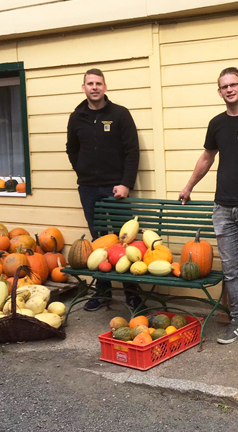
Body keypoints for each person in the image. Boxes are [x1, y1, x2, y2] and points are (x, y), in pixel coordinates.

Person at [179, 67, 238, 347]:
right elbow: (207, 158)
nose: (229, 89)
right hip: (223, 207)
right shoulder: (217, 123)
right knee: (231, 268)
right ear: (219, 92)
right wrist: (189, 186)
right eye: (224, 86)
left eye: (234, 84)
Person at [66, 68, 141, 311]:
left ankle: (132, 292)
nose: (95, 87)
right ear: (84, 88)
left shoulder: (120, 114)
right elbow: (72, 149)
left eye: (99, 83)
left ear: (105, 87)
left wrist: (126, 183)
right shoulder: (76, 117)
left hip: (115, 188)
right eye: (90, 83)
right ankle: (103, 290)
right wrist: (83, 173)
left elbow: (132, 151)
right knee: (98, 243)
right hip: (88, 189)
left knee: (124, 241)